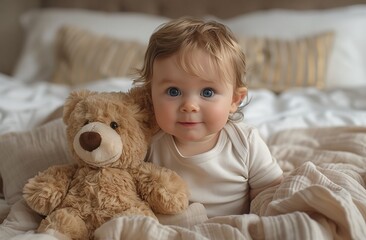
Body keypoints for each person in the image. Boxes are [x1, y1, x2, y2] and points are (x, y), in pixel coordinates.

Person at [133, 16, 283, 218]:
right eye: (173, 91)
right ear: (150, 94)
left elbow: (269, 194)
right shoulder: (149, 143)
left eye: (207, 92)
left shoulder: (245, 143)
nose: (189, 106)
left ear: (234, 101)